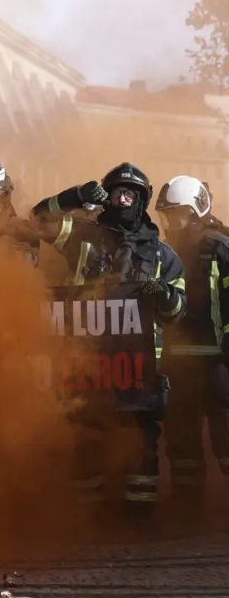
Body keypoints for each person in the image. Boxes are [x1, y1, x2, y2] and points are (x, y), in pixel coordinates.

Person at [32, 162, 186, 512]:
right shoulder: (83, 236)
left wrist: (162, 294)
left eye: (130, 193)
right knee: (87, 438)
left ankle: (140, 512)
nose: (122, 198)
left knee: (142, 441)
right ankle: (92, 514)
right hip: (88, 362)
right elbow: (39, 219)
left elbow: (177, 313)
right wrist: (75, 196)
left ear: (142, 200)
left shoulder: (163, 256)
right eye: (116, 192)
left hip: (140, 367)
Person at [155, 176, 229, 502]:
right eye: (168, 216)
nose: (172, 222)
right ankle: (188, 505)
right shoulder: (164, 254)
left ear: (197, 211)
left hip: (217, 364)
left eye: (178, 214)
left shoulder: (220, 248)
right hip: (177, 364)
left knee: (226, 434)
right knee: (181, 437)